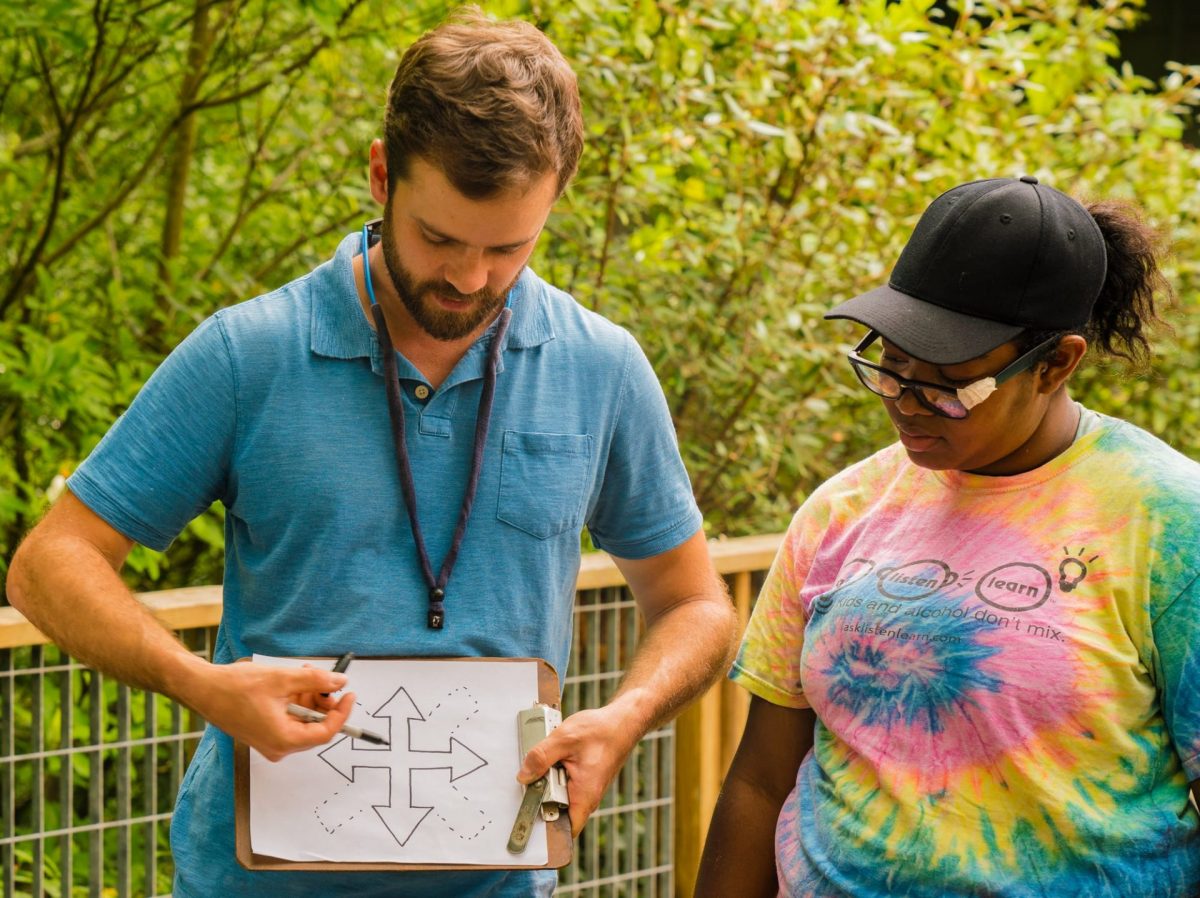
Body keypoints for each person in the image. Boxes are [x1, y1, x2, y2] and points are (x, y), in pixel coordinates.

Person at [6, 9, 737, 897]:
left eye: (508, 247)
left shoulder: (603, 366)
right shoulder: (248, 353)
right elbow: (50, 565)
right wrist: (201, 683)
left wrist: (626, 717)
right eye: (438, 238)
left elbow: (695, 604)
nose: (469, 279)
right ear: (382, 175)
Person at [696, 175, 1200, 897]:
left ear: (1056, 363)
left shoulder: (1170, 522)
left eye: (946, 386)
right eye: (890, 367)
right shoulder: (843, 508)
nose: (905, 404)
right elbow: (761, 777)